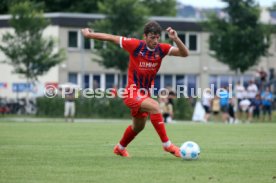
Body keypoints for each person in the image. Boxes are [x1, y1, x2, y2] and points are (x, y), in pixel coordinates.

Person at [81, 21, 189, 158]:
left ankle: (120, 148)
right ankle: (167, 145)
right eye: (152, 37)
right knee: (155, 106)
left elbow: (184, 53)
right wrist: (90, 35)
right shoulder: (136, 45)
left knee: (138, 127)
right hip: (131, 93)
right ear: (145, 36)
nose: (155, 41)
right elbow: (111, 37)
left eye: (157, 37)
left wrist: (176, 39)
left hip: (144, 95)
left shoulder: (162, 49)